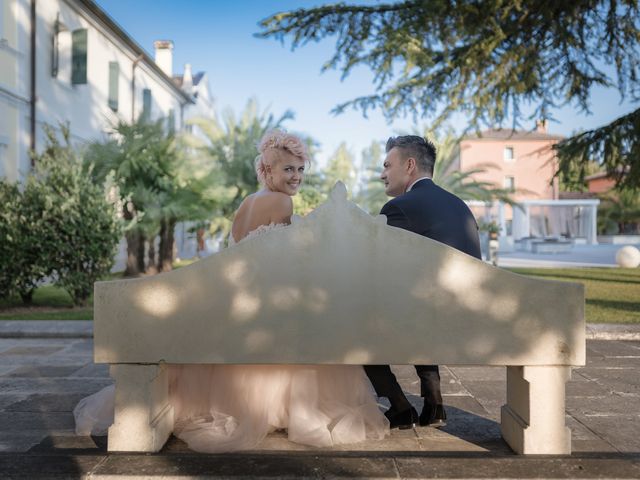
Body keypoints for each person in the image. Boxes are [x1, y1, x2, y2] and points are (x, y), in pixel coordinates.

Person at [74, 130, 389, 452]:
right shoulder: (282, 201)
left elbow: (238, 252)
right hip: (263, 299)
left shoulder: (248, 202)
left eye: (300, 169)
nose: (296, 176)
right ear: (267, 171)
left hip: (234, 298)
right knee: (319, 327)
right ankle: (290, 409)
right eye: (288, 169)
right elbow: (284, 263)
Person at [363, 135, 481, 430]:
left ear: (410, 165)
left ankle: (400, 407)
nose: (382, 174)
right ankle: (434, 404)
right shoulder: (459, 205)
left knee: (355, 318)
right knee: (420, 302)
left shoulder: (400, 207)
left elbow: (381, 271)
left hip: (433, 319)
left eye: (387, 165)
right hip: (472, 317)